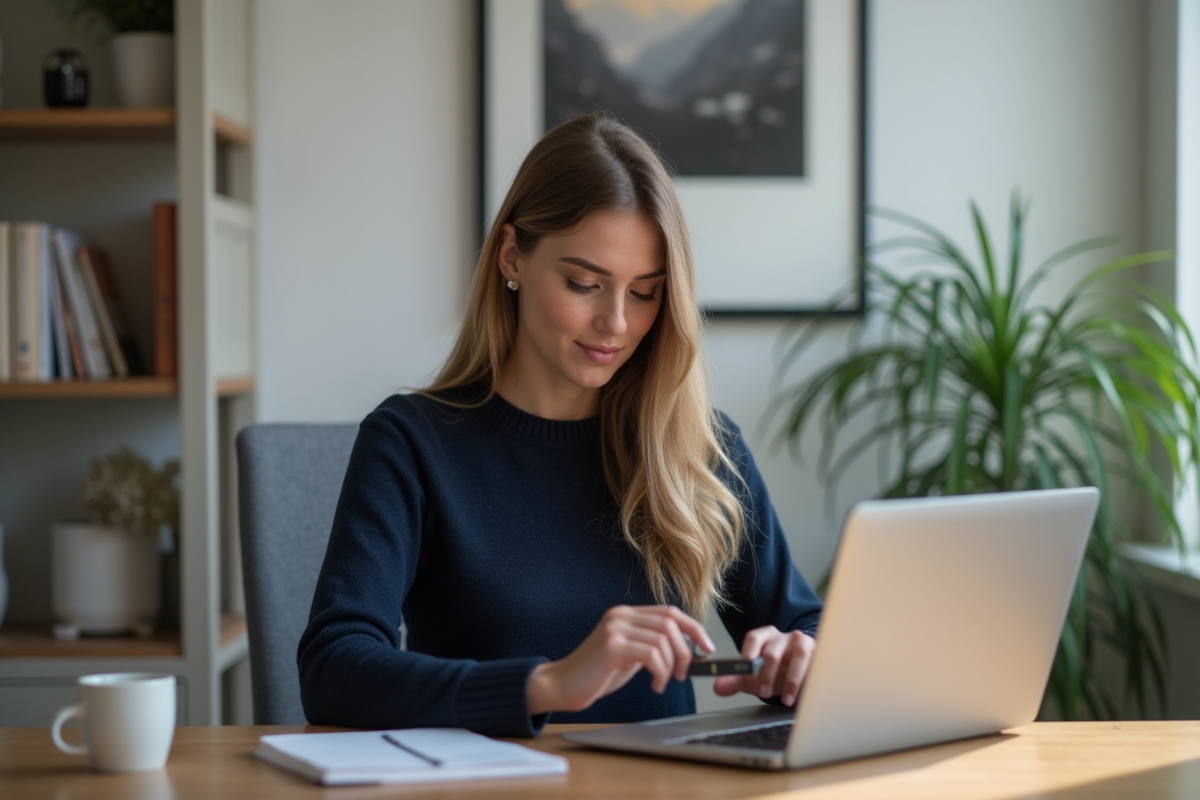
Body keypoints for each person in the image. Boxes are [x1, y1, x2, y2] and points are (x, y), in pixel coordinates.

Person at [298, 113, 822, 737]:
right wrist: (548, 684)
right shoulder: (411, 443)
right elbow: (332, 668)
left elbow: (807, 627)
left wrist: (801, 659)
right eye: (584, 284)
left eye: (645, 292)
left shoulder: (697, 446)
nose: (616, 323)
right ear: (512, 256)